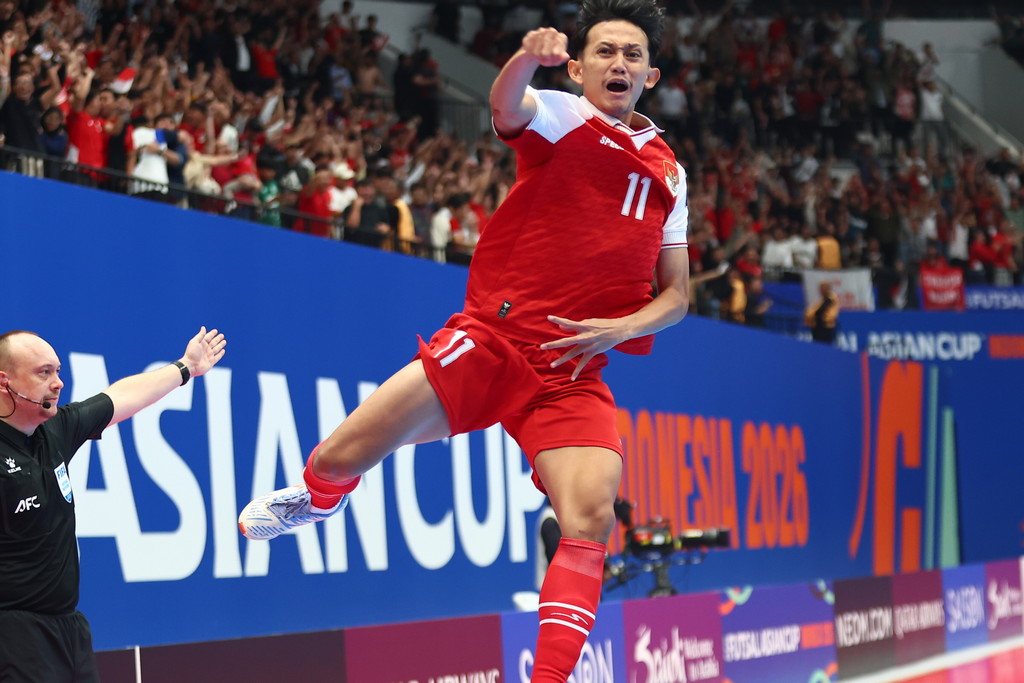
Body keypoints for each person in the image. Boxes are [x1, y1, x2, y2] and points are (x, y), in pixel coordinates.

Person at [238, 2, 688, 681]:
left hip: (571, 372)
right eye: (604, 51)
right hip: (492, 342)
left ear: (649, 75)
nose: (618, 62)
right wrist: (525, 59)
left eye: (632, 54)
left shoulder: (670, 172)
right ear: (578, 68)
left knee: (592, 517)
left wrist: (622, 329)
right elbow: (506, 105)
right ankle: (319, 497)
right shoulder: (564, 116)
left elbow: (677, 296)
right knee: (337, 457)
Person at [0, 327, 226, 682]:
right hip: (15, 636)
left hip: (69, 629)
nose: (58, 383)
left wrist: (185, 367)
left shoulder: (54, 432)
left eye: (58, 371)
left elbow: (119, 397)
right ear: (5, 382)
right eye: (44, 373)